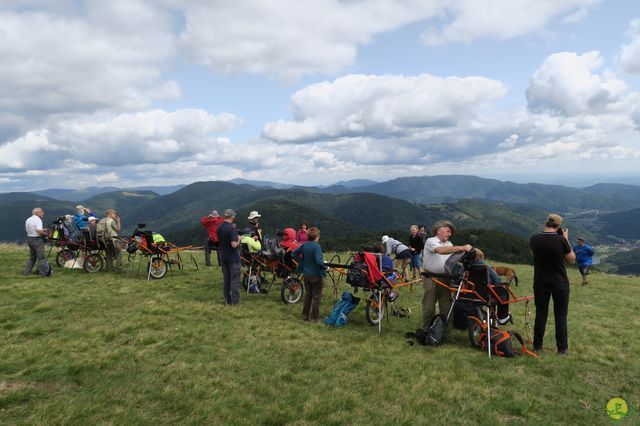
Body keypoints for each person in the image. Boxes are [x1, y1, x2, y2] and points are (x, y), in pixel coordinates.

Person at [530, 213, 576, 356]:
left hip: (540, 281)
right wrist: (566, 239)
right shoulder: (561, 240)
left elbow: (534, 255)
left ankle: (537, 346)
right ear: (558, 226)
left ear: (546, 224)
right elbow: (571, 260)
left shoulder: (534, 238)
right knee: (560, 315)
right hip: (559, 282)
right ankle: (562, 349)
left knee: (541, 314)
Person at [421, 220, 473, 330]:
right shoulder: (431, 241)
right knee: (429, 306)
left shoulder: (449, 244)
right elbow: (440, 251)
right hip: (431, 277)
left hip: (446, 278)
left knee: (446, 306)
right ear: (439, 231)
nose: (450, 234)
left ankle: (446, 331)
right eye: (448, 231)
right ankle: (426, 329)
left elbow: (453, 260)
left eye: (450, 233)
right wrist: (462, 247)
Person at [292, 227, 327, 322]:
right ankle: (314, 317)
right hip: (316, 275)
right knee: (316, 297)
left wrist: (301, 262)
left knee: (308, 295)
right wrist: (325, 267)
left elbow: (293, 254)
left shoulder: (304, 245)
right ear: (316, 237)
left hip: (306, 275)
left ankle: (305, 315)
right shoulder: (317, 246)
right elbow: (319, 261)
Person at [218, 209, 241, 305]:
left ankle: (227, 300)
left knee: (226, 279)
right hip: (233, 258)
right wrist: (239, 239)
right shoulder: (232, 229)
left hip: (224, 257)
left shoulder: (220, 227)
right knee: (235, 280)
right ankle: (235, 302)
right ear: (232, 216)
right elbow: (234, 245)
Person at [23, 207, 50, 277]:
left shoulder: (28, 219)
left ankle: (26, 272)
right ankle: (43, 274)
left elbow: (31, 230)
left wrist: (42, 230)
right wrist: (46, 234)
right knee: (41, 258)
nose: (43, 213)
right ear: (37, 212)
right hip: (37, 240)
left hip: (30, 239)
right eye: (42, 212)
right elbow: (39, 232)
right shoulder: (38, 220)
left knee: (32, 257)